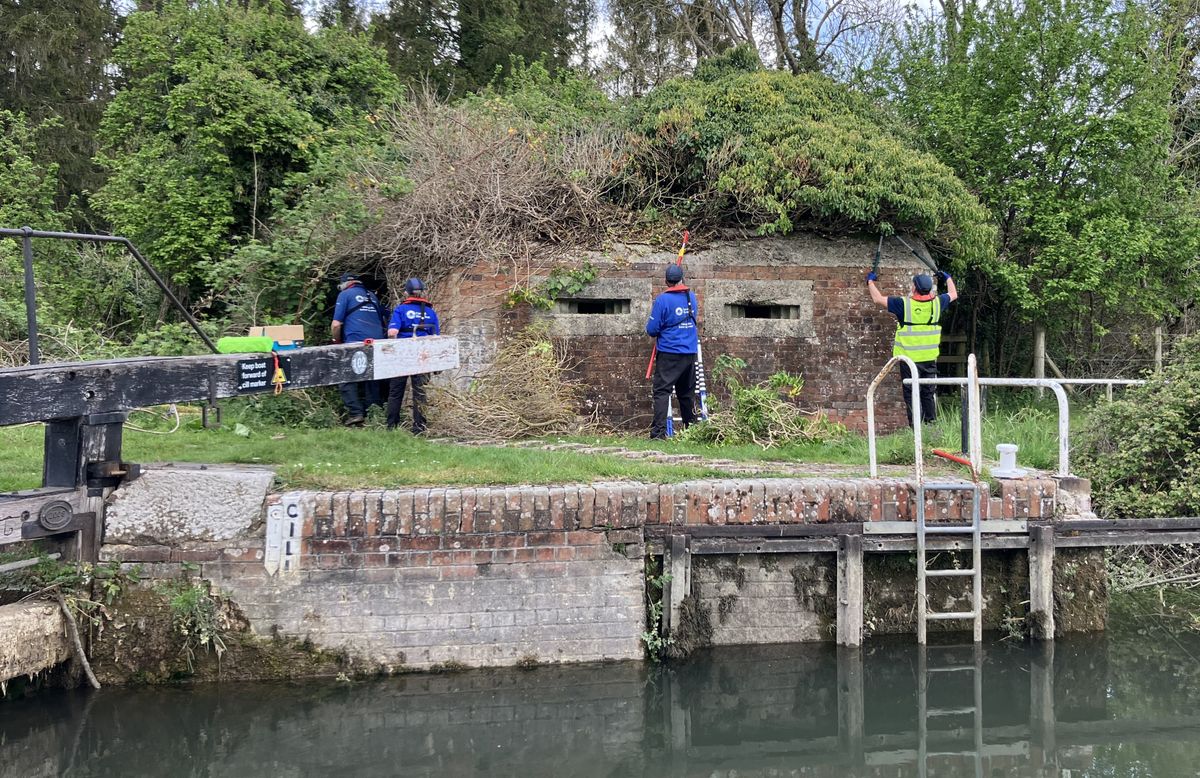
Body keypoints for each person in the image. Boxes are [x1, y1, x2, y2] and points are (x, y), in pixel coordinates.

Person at [867, 269, 958, 426]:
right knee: (928, 393)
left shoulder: (904, 304)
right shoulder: (937, 303)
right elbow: (953, 294)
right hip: (929, 359)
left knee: (910, 394)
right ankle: (930, 425)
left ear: (914, 287)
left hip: (909, 360)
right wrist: (948, 278)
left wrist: (870, 281)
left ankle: (915, 427)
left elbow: (877, 298)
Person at [645, 264, 699, 439]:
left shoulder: (663, 300)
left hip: (669, 352)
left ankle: (658, 434)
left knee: (662, 392)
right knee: (687, 394)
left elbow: (652, 329)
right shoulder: (691, 297)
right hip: (689, 352)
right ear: (681, 279)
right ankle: (692, 431)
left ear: (666, 281)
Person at [386, 277, 440, 434]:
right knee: (420, 392)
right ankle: (419, 428)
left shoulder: (401, 310)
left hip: (403, 353)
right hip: (423, 355)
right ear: (422, 292)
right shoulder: (430, 312)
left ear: (406, 293)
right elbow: (436, 337)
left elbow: (392, 332)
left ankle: (392, 427)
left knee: (396, 391)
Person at [331, 273, 386, 426]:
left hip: (355, 341)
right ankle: (374, 413)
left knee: (346, 376)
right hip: (376, 342)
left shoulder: (345, 294)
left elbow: (336, 324)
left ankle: (356, 413)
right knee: (372, 377)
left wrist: (336, 341)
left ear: (345, 284)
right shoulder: (372, 296)